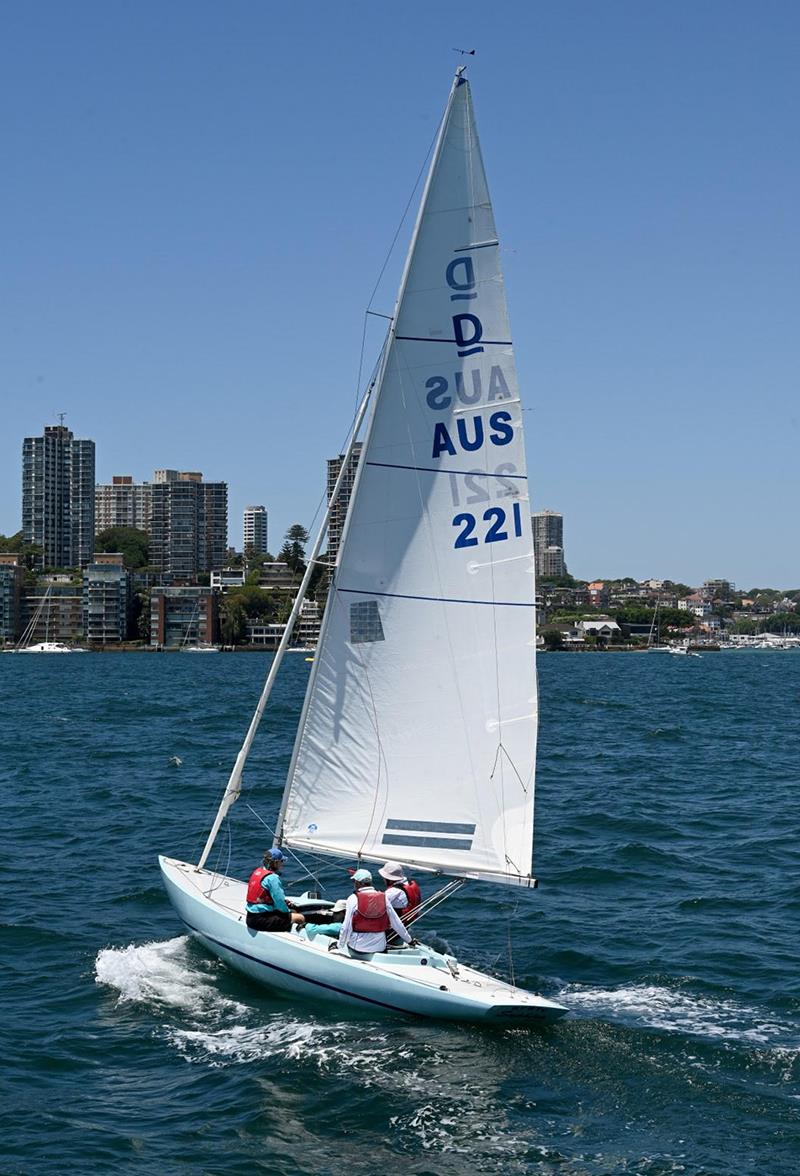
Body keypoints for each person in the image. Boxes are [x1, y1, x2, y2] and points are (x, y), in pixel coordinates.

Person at [335, 868, 415, 956]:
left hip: (359, 947)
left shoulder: (353, 898)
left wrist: (340, 945)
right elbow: (396, 922)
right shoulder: (383, 897)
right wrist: (409, 940)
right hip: (380, 947)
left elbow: (346, 927)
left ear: (358, 883)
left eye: (354, 881)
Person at [245, 848, 306, 932]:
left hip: (251, 916)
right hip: (261, 920)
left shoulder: (258, 871)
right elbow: (280, 901)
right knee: (300, 917)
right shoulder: (273, 878)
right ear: (275, 862)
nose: (282, 864)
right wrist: (288, 912)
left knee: (291, 913)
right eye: (281, 861)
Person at [378, 861, 422, 925]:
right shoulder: (408, 882)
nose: (383, 879)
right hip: (408, 921)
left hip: (396, 925)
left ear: (389, 879)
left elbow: (376, 906)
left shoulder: (393, 891)